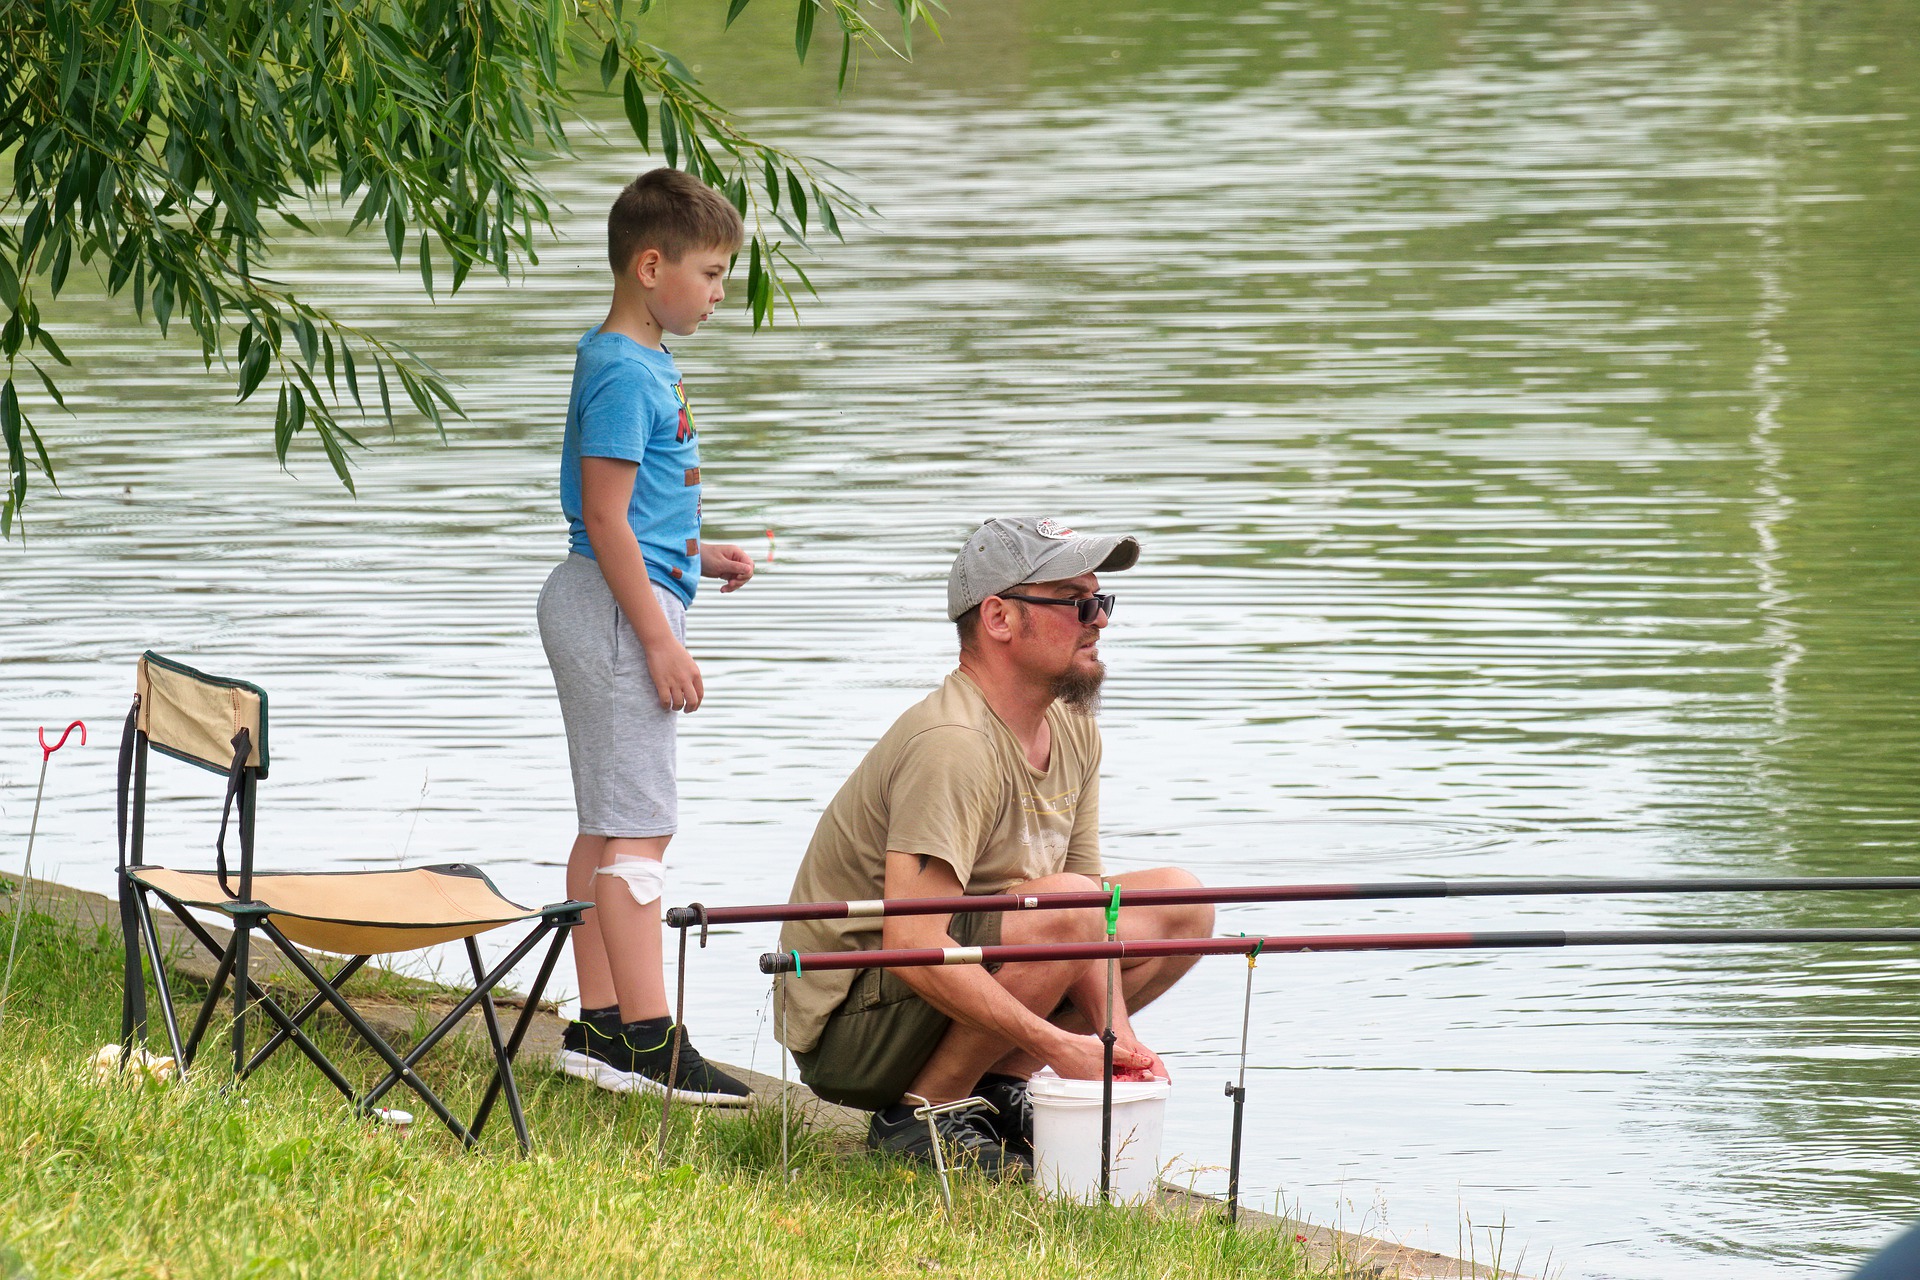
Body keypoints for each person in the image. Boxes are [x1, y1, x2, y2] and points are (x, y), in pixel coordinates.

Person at [775, 517, 1214, 1173]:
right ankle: (923, 1112)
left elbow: (1097, 922)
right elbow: (913, 946)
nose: (1099, 621)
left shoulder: (1072, 728)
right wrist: (1059, 1047)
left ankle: (1000, 1088)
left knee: (1181, 905)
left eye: (1102, 602)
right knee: (1062, 905)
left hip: (941, 989)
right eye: (1078, 603)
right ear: (1000, 619)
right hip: (850, 1027)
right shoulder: (952, 745)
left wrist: (1114, 1038)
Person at [538, 168, 757, 1105]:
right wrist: (662, 640)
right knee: (641, 833)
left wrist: (699, 556)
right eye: (710, 274)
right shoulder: (629, 371)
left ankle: (595, 1029)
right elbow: (606, 515)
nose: (718, 294)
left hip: (604, 594)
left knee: (605, 823)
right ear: (651, 264)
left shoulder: (626, 357)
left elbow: (628, 519)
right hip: (621, 611)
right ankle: (649, 1041)